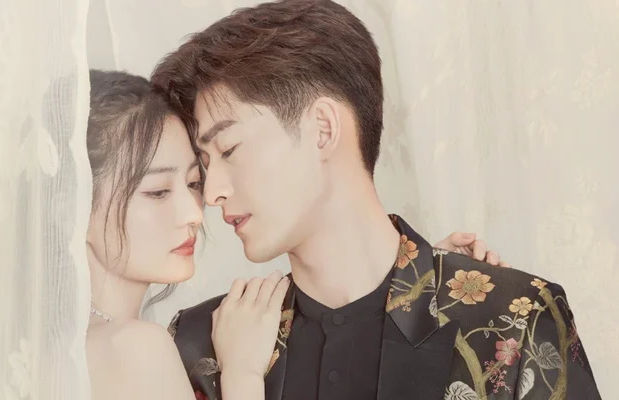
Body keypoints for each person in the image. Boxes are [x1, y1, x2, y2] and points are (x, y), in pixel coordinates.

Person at [151, 1, 601, 399]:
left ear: (323, 129)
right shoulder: (199, 344)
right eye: (204, 165)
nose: (212, 193)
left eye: (229, 149)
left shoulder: (513, 319)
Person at [83, 70, 509, 400]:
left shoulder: (88, 345)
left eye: (194, 182)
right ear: (76, 203)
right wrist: (243, 374)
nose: (196, 211)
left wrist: (409, 274)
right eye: (157, 192)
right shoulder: (138, 346)